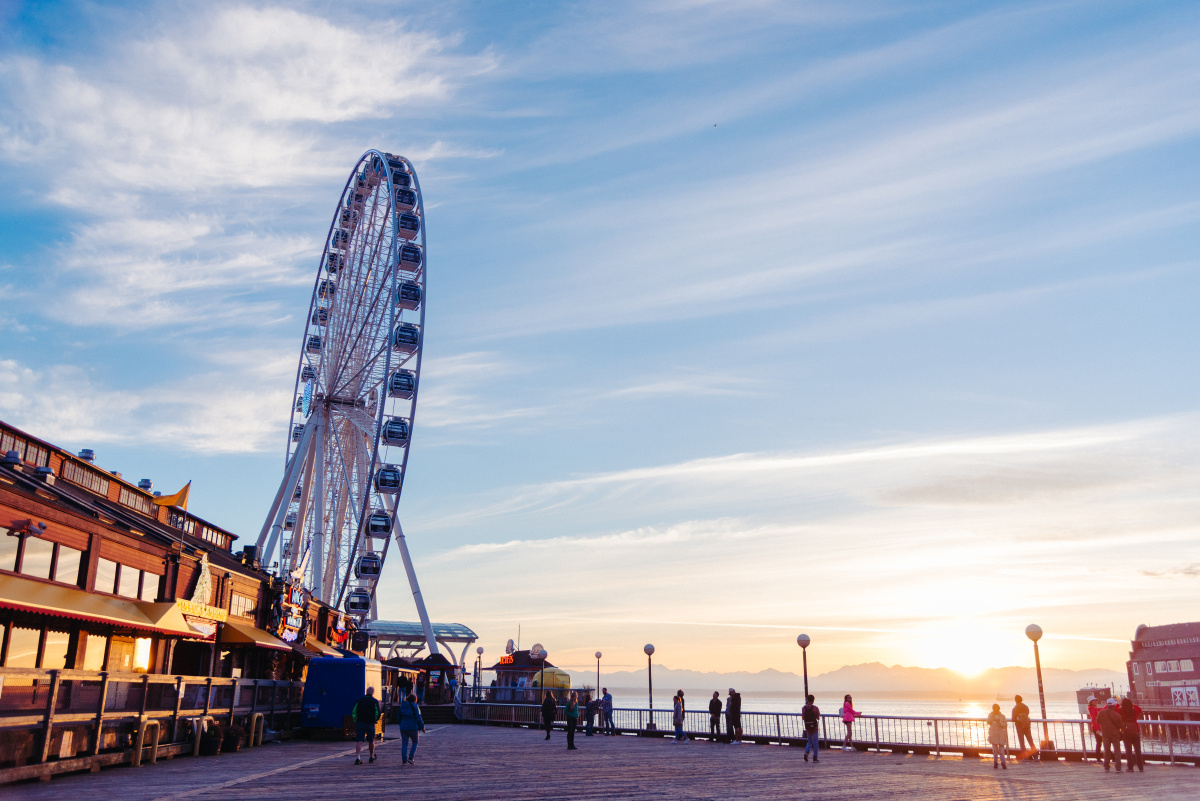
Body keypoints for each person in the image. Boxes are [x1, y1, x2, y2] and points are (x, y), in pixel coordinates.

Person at [351, 686, 381, 765]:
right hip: (370, 723)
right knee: (371, 740)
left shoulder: (359, 700)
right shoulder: (374, 701)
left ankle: (358, 757)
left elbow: (354, 711)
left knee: (359, 741)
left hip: (360, 722)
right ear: (373, 692)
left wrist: (355, 720)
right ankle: (371, 756)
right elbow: (378, 713)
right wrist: (375, 720)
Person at [397, 691, 425, 764]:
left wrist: (401, 724)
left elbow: (399, 716)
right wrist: (422, 726)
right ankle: (411, 757)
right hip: (413, 727)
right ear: (415, 699)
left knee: (404, 744)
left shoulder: (402, 706)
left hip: (403, 727)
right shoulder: (415, 706)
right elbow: (418, 717)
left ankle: (404, 760)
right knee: (415, 742)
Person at [1098, 697, 1124, 772]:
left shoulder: (1101, 712)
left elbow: (1098, 721)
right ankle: (1118, 768)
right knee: (1117, 751)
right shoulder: (1117, 715)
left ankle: (1106, 767)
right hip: (1115, 734)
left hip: (1105, 734)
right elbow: (1121, 726)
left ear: (1107, 704)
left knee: (1107, 750)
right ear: (1114, 705)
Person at [1119, 696, 1144, 772]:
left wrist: (1119, 703)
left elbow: (1116, 709)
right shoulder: (1134, 711)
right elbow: (1139, 709)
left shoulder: (1121, 711)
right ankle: (1140, 767)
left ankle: (1130, 767)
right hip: (1135, 730)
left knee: (1128, 750)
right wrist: (1133, 705)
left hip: (1126, 731)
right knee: (1138, 750)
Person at [986, 703, 1009, 770]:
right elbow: (988, 722)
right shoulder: (991, 715)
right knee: (995, 750)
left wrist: (999, 722)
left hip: (1001, 734)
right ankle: (995, 763)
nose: (995, 710)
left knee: (1001, 751)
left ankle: (1003, 763)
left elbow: (1005, 725)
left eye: (996, 708)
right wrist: (992, 718)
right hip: (993, 734)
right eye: (994, 708)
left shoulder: (1002, 716)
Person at [801, 694, 820, 762]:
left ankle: (806, 752)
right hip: (814, 726)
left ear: (807, 700)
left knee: (809, 741)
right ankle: (815, 757)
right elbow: (818, 717)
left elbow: (803, 718)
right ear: (813, 700)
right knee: (815, 742)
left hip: (808, 726)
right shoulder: (815, 708)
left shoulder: (804, 708)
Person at [1086, 696, 1104, 762]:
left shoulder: (1094, 708)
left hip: (1097, 727)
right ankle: (1098, 757)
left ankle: (1099, 757)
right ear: (1090, 702)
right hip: (1097, 728)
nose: (1095, 702)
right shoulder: (1092, 709)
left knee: (1100, 742)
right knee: (1100, 742)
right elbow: (1094, 719)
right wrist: (1097, 729)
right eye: (1093, 701)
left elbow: (1101, 709)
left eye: (1095, 700)